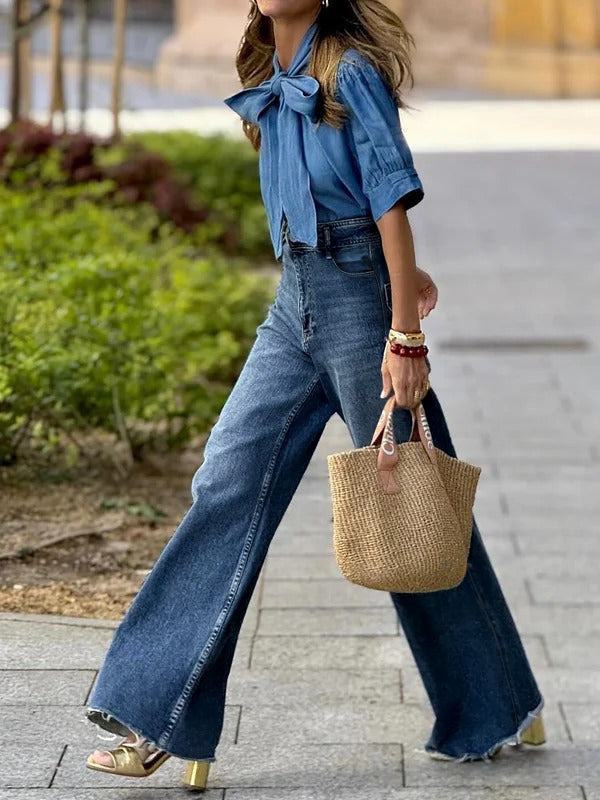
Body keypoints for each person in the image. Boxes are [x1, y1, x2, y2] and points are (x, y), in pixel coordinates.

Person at [84, 0, 546, 789]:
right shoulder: (271, 74)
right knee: (225, 480)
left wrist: (403, 332)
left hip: (361, 311)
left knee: (414, 509)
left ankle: (494, 701)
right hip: (291, 306)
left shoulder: (349, 72)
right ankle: (162, 713)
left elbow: (390, 201)